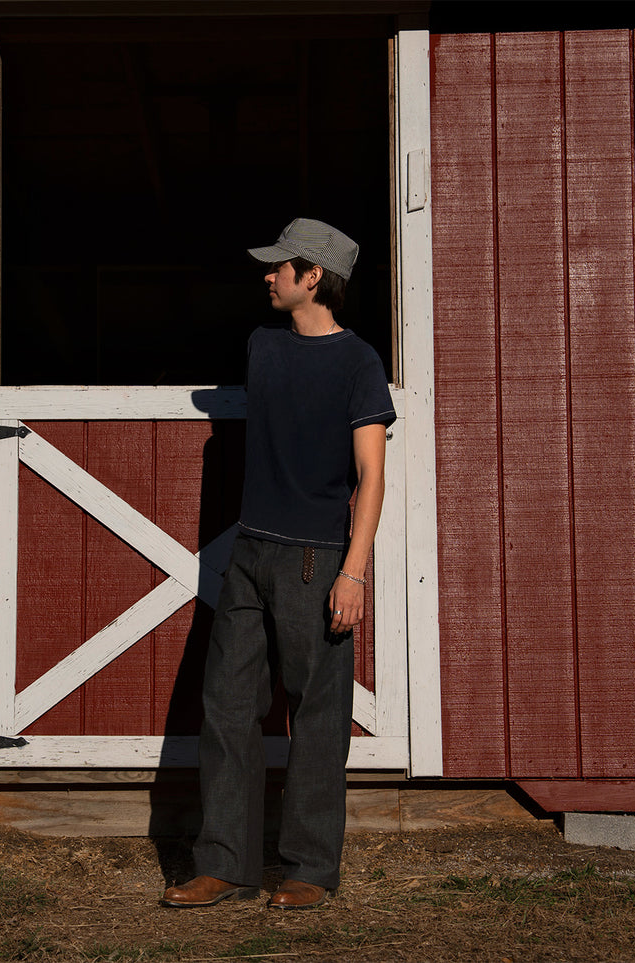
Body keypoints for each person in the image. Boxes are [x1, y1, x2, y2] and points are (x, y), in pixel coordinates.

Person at [162, 218, 395, 910]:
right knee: (227, 708)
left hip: (315, 561)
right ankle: (224, 865)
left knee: (318, 716)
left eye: (280, 266)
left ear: (313, 276)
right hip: (249, 552)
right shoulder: (261, 346)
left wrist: (353, 571)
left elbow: (371, 477)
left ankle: (309, 870)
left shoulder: (359, 362)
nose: (267, 275)